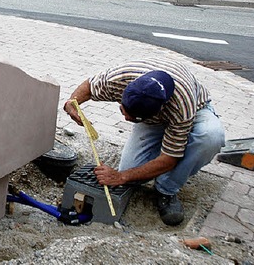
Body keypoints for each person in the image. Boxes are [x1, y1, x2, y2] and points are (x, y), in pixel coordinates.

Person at [63, 58, 226, 226]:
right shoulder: (120, 78)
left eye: (132, 119)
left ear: (155, 113)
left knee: (210, 137)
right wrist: (71, 103)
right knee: (133, 175)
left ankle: (167, 189)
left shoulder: (181, 108)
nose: (125, 119)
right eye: (123, 111)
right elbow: (89, 86)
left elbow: (169, 159)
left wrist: (121, 176)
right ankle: (158, 145)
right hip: (154, 115)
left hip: (194, 111)